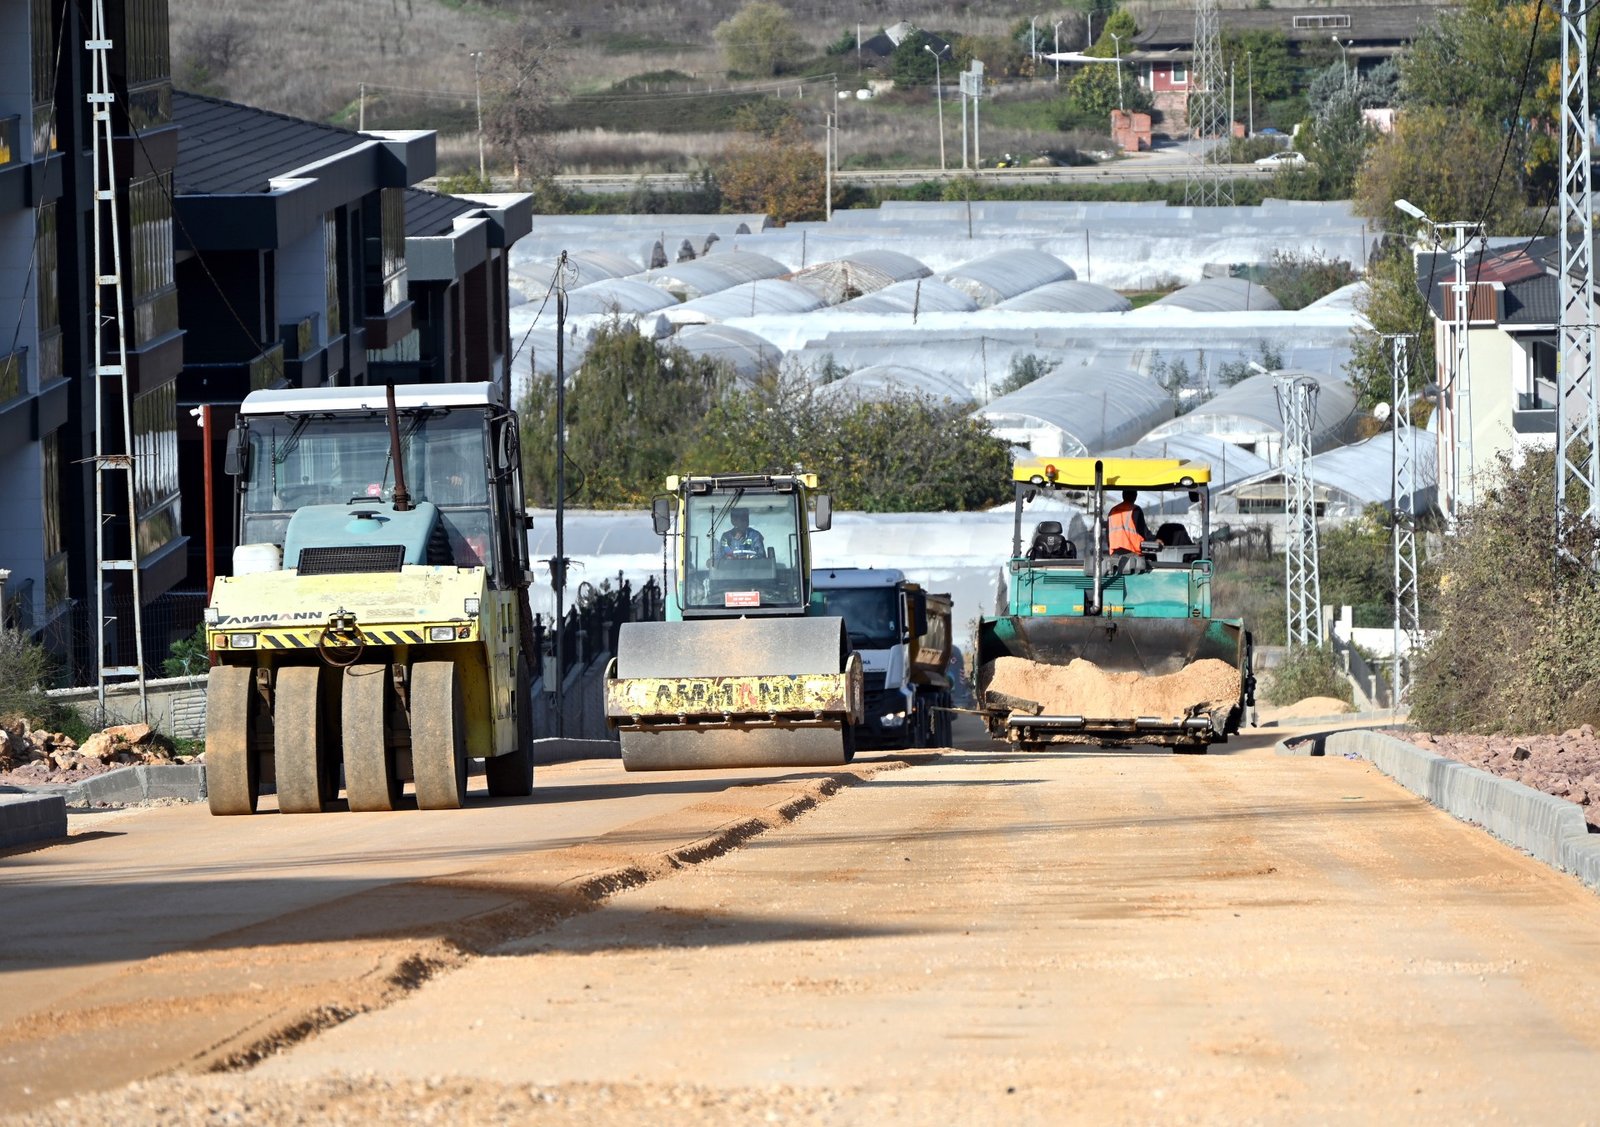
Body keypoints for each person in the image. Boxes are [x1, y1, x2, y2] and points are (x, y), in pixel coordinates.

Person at [1107, 489, 1160, 571]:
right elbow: (1144, 532)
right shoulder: (1135, 510)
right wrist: (1156, 540)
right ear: (1135, 496)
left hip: (1115, 554)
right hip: (1132, 553)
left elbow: (1108, 534)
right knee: (1152, 559)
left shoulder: (1113, 511)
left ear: (1123, 495)